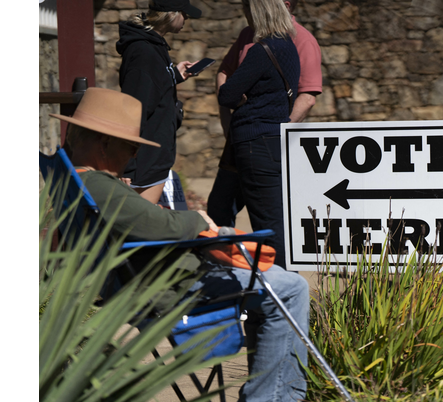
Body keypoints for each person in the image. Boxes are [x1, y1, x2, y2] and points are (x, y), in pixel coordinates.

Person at [50, 87, 308, 402]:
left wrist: (129, 196)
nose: (132, 157)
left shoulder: (75, 182)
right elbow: (163, 226)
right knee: (291, 288)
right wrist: (200, 219)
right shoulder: (100, 186)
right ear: (103, 143)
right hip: (173, 286)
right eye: (130, 147)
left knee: (270, 291)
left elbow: (141, 221)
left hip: (136, 285)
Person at [207, 0, 321, 233]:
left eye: (250, 6)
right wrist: (230, 125)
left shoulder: (302, 40)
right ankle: (224, 263)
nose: (246, 12)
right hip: (243, 139)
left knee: (268, 218)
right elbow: (225, 72)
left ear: (285, 4)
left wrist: (275, 130)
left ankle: (274, 268)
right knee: (219, 208)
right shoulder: (248, 34)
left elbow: (307, 97)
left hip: (263, 139)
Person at [216, 0, 301, 269]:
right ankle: (285, 290)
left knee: (267, 225)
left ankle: (280, 294)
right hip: (276, 140)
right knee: (276, 219)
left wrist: (242, 96)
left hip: (255, 143)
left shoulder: (262, 50)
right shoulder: (288, 46)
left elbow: (227, 94)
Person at [116, 0, 201, 205]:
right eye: (184, 13)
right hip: (146, 160)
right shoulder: (145, 52)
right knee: (137, 229)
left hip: (153, 155)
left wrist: (174, 75)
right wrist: (128, 165)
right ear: (171, 15)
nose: (187, 18)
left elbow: (151, 88)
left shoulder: (152, 46)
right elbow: (134, 109)